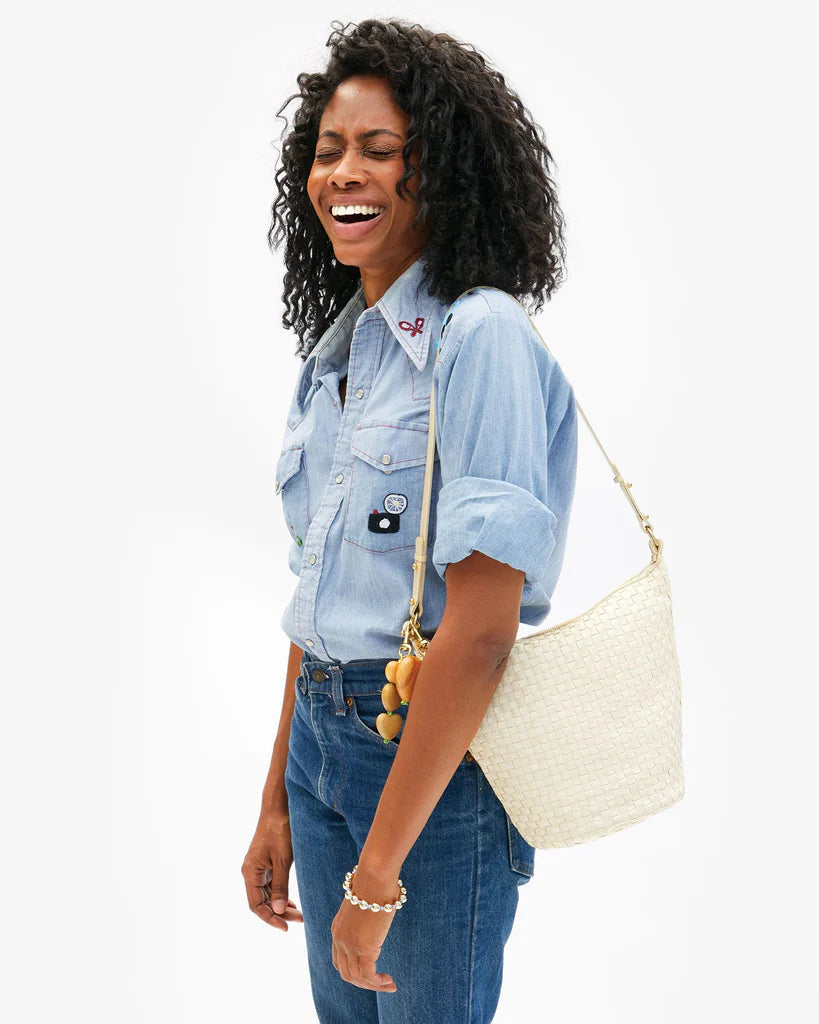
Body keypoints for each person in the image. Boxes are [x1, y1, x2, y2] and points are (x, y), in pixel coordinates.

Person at [242, 17, 578, 1023]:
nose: (345, 172)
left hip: (426, 761)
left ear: (444, 172)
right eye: (330, 150)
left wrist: (376, 876)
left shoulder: (482, 338)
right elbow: (323, 598)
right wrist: (276, 798)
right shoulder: (340, 355)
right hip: (321, 745)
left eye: (382, 151)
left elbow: (477, 634)